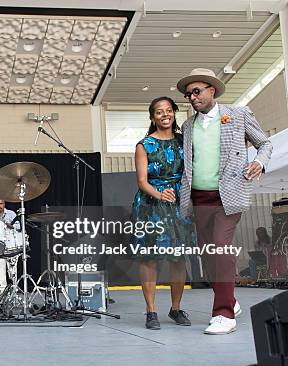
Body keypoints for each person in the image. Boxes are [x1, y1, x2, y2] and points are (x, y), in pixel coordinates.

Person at [177, 68, 272, 335]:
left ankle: (224, 314)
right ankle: (230, 298)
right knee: (208, 259)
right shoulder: (187, 126)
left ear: (212, 90)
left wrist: (258, 162)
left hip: (228, 195)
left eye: (196, 91)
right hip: (198, 198)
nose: (192, 97)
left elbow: (265, 144)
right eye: (188, 94)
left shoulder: (239, 114)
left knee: (220, 248)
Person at [132, 96, 195, 330]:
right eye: (159, 112)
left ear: (174, 113)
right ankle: (151, 312)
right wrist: (160, 195)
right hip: (151, 205)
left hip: (180, 203)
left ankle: (176, 309)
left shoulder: (183, 141)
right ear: (152, 117)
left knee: (178, 258)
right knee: (149, 258)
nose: (165, 114)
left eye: (169, 110)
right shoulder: (144, 145)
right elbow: (141, 181)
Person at [0, 198, 20, 293]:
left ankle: (14, 287)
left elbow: (18, 227)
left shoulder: (11, 214)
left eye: (1, 203)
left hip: (10, 242)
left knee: (12, 267)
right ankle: (2, 288)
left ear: (4, 204)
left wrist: (10, 226)